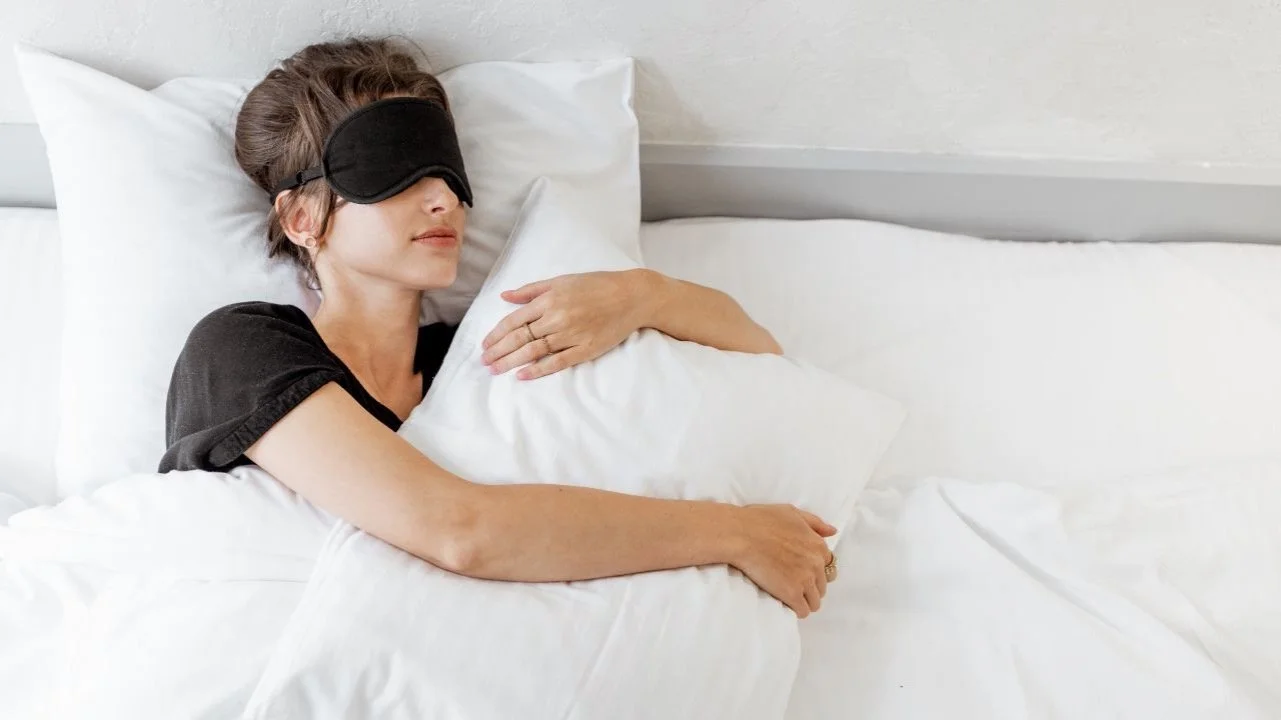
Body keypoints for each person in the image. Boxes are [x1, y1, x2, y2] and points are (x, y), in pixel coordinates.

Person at [159, 37, 836, 618]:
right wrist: (734, 533)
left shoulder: (483, 356)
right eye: (396, 171)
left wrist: (642, 295)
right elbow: (459, 531)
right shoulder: (242, 348)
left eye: (448, 172)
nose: (444, 198)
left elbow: (760, 360)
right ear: (303, 219)